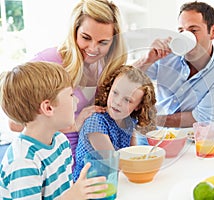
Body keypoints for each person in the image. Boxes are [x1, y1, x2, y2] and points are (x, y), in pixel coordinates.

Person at [9, 0, 128, 162]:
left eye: (103, 42)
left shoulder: (106, 67)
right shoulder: (47, 61)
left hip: (95, 163)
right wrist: (72, 126)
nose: (93, 48)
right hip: (56, 166)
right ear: (74, 31)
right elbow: (15, 123)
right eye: (86, 38)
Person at [0, 61, 108, 199]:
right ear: (48, 108)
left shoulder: (61, 142)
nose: (76, 100)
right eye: (70, 95)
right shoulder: (23, 162)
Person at [133, 1, 214, 128]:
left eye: (193, 30)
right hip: (153, 134)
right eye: (181, 31)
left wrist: (150, 119)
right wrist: (147, 59)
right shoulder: (166, 56)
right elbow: (124, 79)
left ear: (213, 32)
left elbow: (202, 117)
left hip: (194, 139)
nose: (185, 37)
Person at [73, 65, 156, 181]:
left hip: (114, 180)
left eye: (127, 100)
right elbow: (114, 163)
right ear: (110, 89)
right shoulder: (95, 123)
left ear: (138, 107)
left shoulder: (129, 121)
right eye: (115, 93)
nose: (117, 102)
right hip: (89, 185)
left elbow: (134, 153)